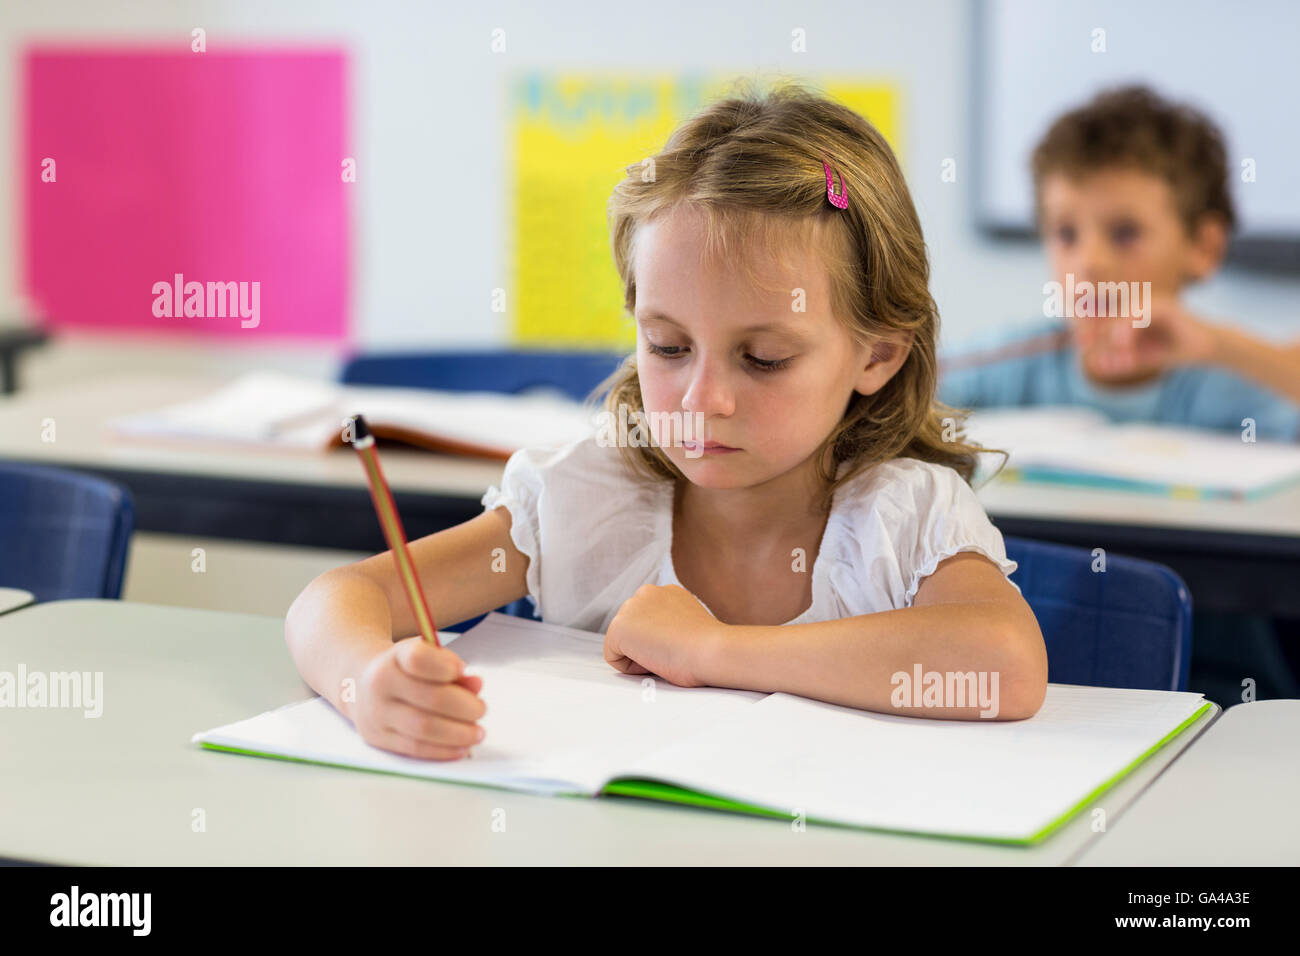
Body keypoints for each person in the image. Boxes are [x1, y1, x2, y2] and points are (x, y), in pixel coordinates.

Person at [285, 82, 1048, 761]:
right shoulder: (588, 502)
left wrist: (714, 650)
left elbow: (1006, 665)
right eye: (669, 346)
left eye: (764, 358)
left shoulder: (903, 517)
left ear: (876, 355)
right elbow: (335, 599)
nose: (700, 399)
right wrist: (365, 683)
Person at [939, 85, 1300, 441]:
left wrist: (1221, 347)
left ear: (1203, 248)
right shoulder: (1014, 365)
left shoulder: (1228, 382)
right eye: (1066, 234)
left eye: (1125, 233)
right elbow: (913, 389)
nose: (1089, 263)